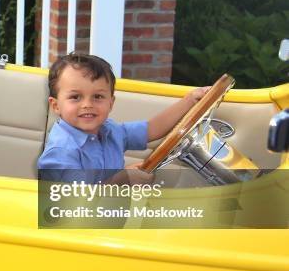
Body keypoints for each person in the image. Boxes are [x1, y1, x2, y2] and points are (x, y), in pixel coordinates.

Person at [37, 53, 209, 183]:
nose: (87, 104)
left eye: (98, 97)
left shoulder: (110, 130)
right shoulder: (61, 150)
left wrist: (190, 100)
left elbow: (151, 129)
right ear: (55, 106)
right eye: (75, 97)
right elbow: (73, 202)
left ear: (111, 103)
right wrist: (122, 179)